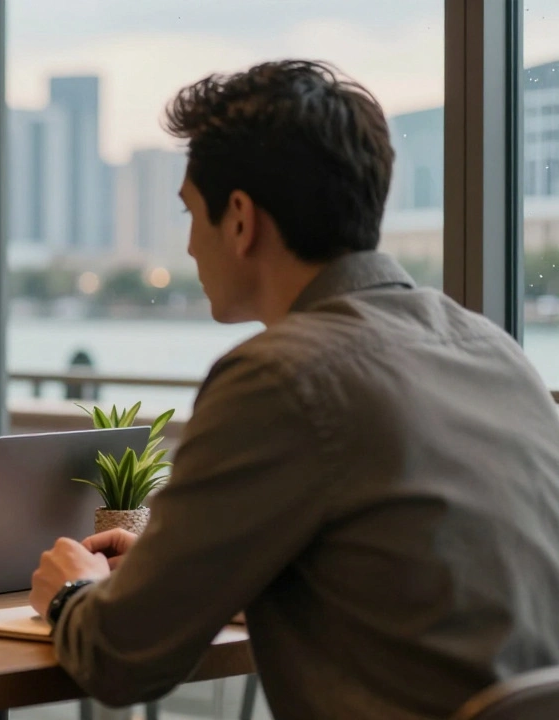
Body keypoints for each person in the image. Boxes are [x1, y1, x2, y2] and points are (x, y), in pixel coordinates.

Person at [29, 60, 559, 719]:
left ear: (242, 220)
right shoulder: (492, 351)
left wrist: (71, 593)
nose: (190, 246)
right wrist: (178, 571)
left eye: (192, 214)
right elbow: (408, 589)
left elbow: (118, 660)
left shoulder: (279, 377)